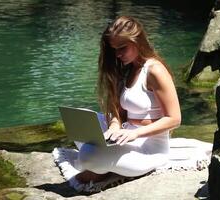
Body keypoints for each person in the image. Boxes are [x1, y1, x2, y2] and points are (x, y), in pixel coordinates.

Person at [74, 16, 181, 183]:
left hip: (149, 148)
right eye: (114, 49)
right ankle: (106, 162)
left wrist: (135, 133)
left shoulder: (155, 71)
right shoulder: (126, 69)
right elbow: (116, 111)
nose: (117, 54)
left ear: (137, 41)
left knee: (88, 154)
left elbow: (174, 119)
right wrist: (114, 126)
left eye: (122, 48)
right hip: (124, 136)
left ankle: (102, 165)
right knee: (80, 119)